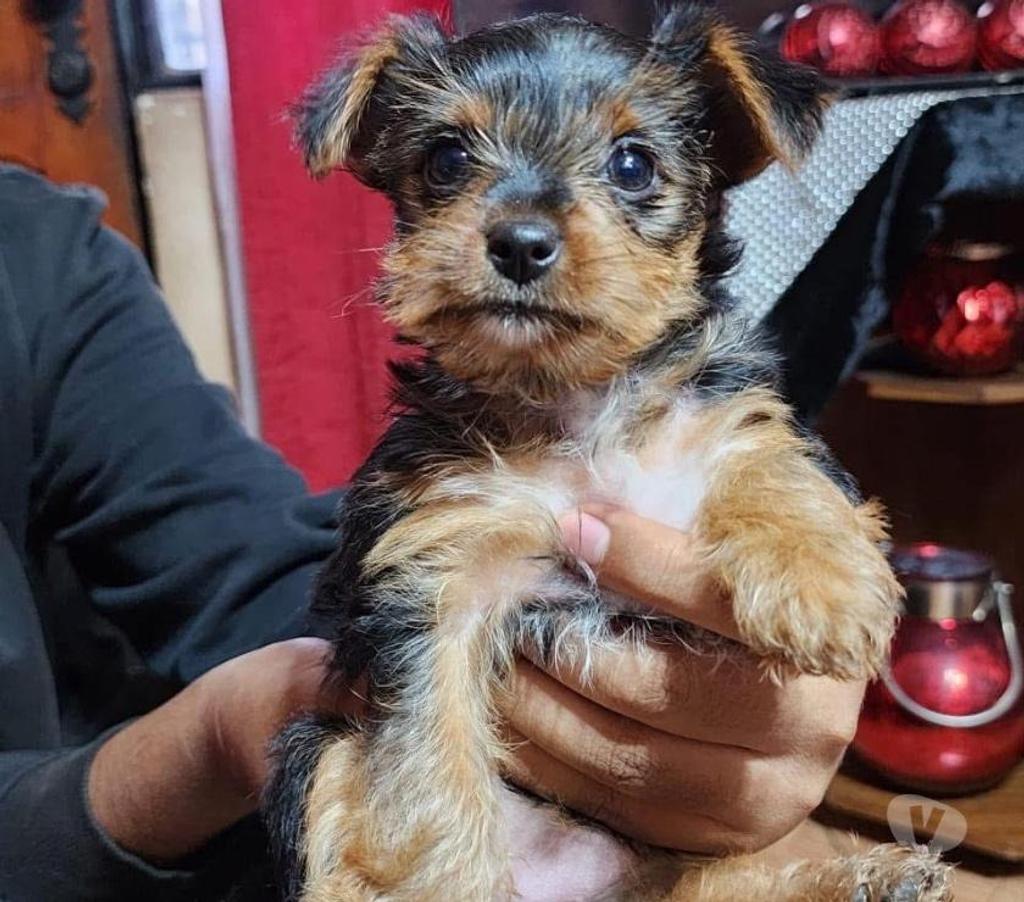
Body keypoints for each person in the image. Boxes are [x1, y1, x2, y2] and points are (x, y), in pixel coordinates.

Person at [0, 165, 865, 900]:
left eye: (630, 169)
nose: (524, 228)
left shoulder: (40, 248)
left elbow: (244, 564)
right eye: (452, 161)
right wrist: (217, 733)